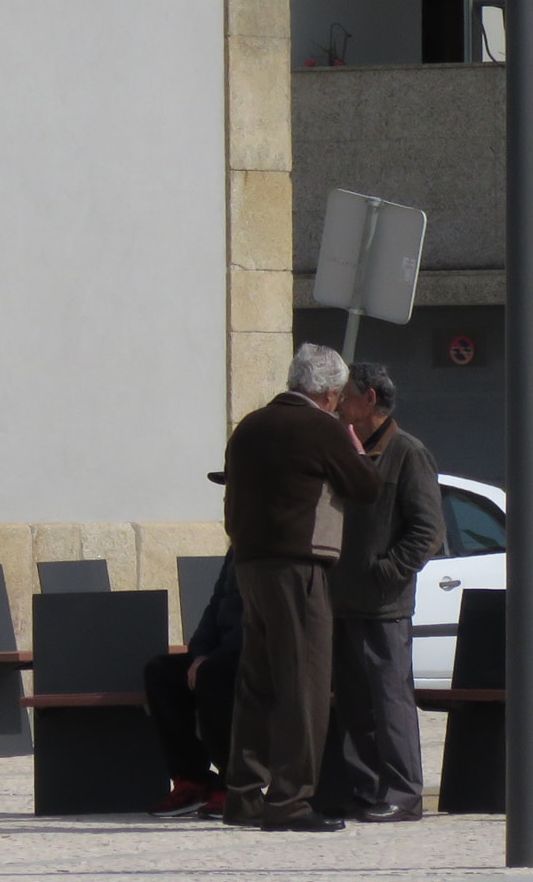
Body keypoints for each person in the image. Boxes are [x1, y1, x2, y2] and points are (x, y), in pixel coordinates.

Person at [219, 343, 380, 832]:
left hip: (249, 564)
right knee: (304, 685)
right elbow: (365, 488)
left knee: (257, 683)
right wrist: (356, 448)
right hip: (299, 566)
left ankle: (243, 796)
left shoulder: (249, 425)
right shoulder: (321, 428)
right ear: (330, 394)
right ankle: (290, 802)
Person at [318, 361, 445, 823]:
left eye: (345, 395)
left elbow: (428, 531)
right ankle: (366, 789)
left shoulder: (408, 453)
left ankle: (404, 793)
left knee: (390, 698)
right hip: (342, 600)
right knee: (354, 702)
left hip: (383, 603)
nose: (338, 405)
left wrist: (384, 572)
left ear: (369, 399)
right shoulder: (346, 451)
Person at [142, 544, 241, 819]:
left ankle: (235, 784)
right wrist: (199, 653)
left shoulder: (274, 545)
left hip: (256, 655)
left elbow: (260, 619)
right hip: (220, 655)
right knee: (161, 671)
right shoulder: (236, 550)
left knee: (214, 674)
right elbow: (215, 607)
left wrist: (214, 657)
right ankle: (192, 780)